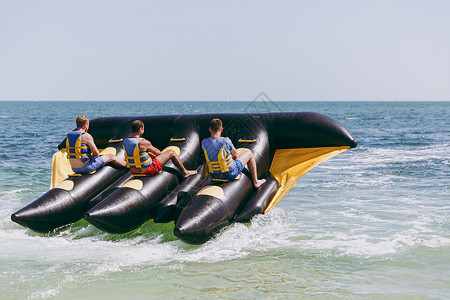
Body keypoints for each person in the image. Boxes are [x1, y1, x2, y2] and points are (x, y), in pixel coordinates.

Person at [202, 118, 266, 188]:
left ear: (210, 129)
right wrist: (234, 157)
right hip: (229, 174)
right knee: (249, 153)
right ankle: (256, 182)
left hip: (214, 175)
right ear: (221, 129)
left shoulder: (204, 142)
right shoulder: (225, 140)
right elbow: (234, 153)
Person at [123, 120, 197, 178]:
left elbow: (135, 155)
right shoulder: (143, 142)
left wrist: (148, 155)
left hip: (134, 172)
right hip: (147, 171)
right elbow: (158, 153)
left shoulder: (125, 142)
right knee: (172, 152)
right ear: (140, 129)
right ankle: (185, 172)